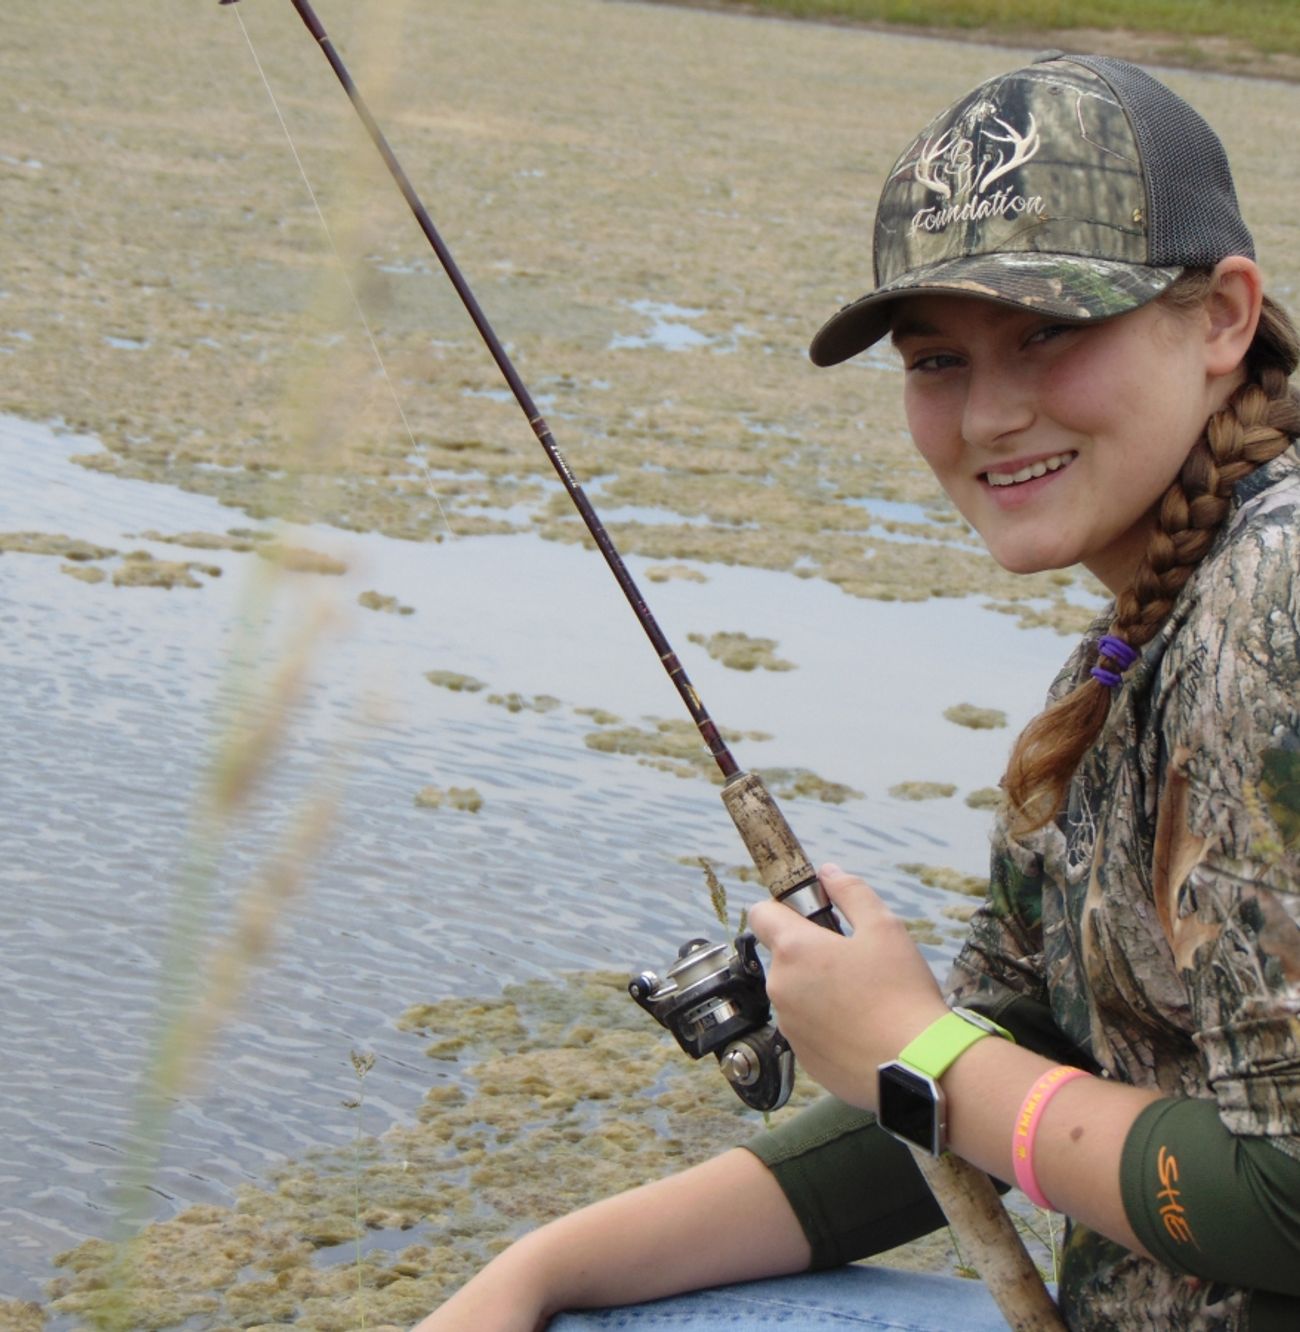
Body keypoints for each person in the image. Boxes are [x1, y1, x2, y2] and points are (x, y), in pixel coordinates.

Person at [414, 52, 1300, 1331]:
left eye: (1048, 332)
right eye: (936, 360)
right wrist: (539, 1271)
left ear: (1221, 317)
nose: (988, 416)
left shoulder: (1272, 604)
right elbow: (1005, 1059)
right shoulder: (1122, 660)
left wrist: (923, 1053)